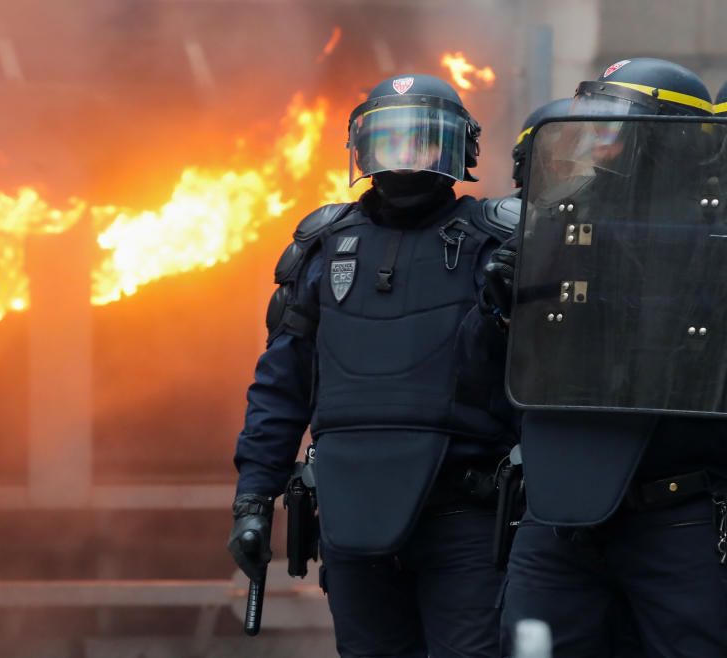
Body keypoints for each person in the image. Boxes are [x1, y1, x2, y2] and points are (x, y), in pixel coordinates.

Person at [227, 73, 517, 658]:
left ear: (459, 149)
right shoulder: (323, 247)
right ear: (362, 150)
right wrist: (253, 500)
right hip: (352, 517)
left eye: (423, 141)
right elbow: (279, 389)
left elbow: (542, 382)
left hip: (464, 516)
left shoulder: (500, 246)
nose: (406, 158)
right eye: (390, 141)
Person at [489, 57, 727, 657]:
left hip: (677, 512)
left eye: (615, 128)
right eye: (590, 126)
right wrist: (497, 302)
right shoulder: (558, 222)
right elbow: (482, 371)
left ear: (673, 136)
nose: (595, 144)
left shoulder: (713, 240)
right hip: (560, 506)